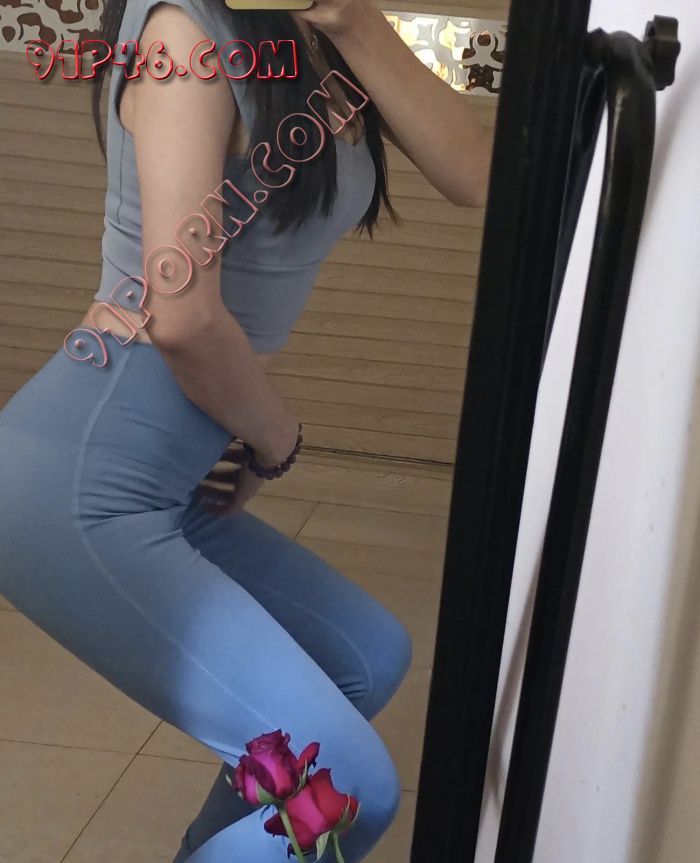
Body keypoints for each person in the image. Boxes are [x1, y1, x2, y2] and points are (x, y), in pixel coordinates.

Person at [0, 0, 492, 859]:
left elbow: (479, 173)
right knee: (344, 787)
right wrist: (276, 435)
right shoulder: (185, 29)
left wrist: (353, 21)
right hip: (81, 483)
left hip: (164, 478)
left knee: (366, 656)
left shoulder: (315, 30)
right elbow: (181, 316)